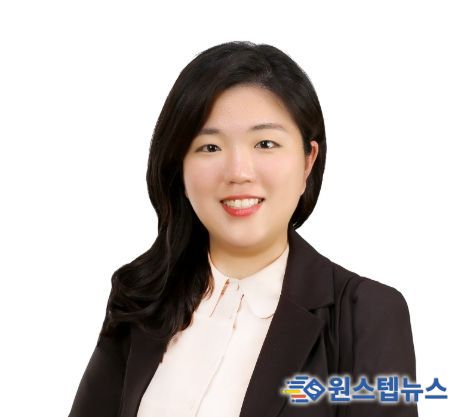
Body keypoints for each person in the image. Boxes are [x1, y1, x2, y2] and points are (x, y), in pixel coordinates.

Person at [68, 41, 418, 417]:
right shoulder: (142, 297)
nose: (238, 172)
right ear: (179, 166)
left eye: (265, 143)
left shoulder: (367, 314)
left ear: (308, 160)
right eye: (210, 147)